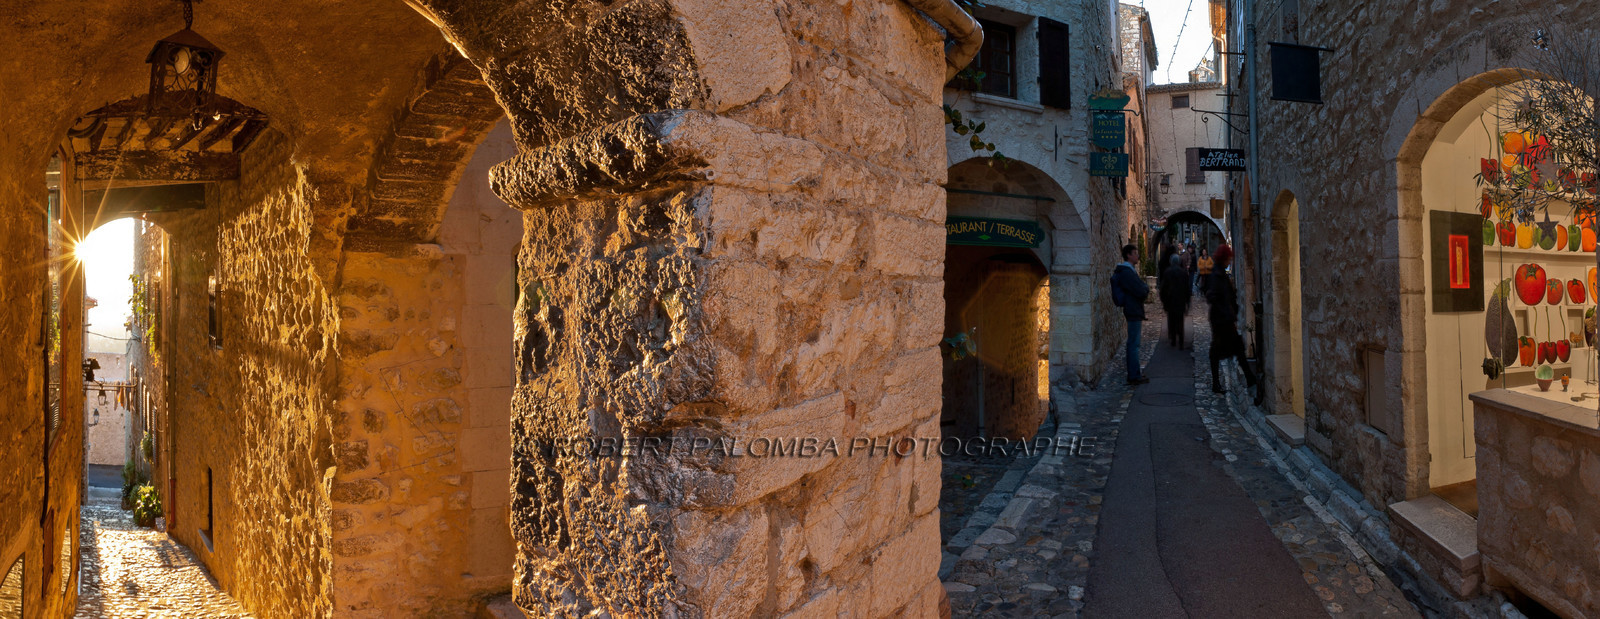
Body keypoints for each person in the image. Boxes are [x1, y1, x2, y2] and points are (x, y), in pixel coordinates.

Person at [1206, 244, 1261, 403]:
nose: (1230, 260)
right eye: (1229, 257)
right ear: (1224, 258)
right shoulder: (1216, 274)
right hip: (1222, 320)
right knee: (1234, 347)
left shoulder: (1218, 272)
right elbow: (1215, 297)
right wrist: (1229, 315)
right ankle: (1249, 381)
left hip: (1223, 319)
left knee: (1224, 349)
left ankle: (1241, 381)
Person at [1111, 244, 1151, 385]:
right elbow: (1141, 290)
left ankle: (1135, 373)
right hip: (1133, 309)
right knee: (1134, 344)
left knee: (1133, 343)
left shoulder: (1129, 271)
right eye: (1135, 253)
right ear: (1128, 255)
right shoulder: (1127, 273)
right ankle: (1134, 375)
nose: (1137, 256)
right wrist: (1144, 288)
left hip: (1133, 309)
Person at [1159, 254, 1192, 349]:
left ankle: (1173, 340)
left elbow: (1163, 288)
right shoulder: (1183, 273)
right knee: (1180, 321)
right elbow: (1187, 289)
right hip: (1180, 300)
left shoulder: (1167, 272)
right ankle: (1181, 341)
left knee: (1171, 320)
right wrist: (1188, 302)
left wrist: (1164, 301)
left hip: (1170, 300)